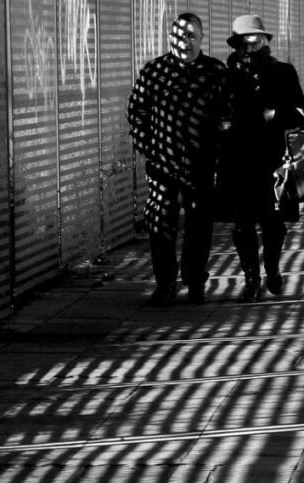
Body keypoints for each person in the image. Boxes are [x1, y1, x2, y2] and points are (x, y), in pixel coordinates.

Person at [127, 13, 229, 305]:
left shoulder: (214, 72)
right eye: (178, 36)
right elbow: (137, 112)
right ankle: (165, 284)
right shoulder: (154, 72)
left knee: (199, 224)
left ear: (200, 38)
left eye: (190, 36)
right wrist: (149, 147)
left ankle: (195, 281)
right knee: (160, 223)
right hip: (162, 165)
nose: (183, 42)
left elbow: (228, 114)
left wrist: (219, 150)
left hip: (201, 163)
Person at [221, 15, 304, 301]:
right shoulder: (227, 75)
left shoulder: (283, 72)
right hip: (236, 159)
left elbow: (301, 114)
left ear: (265, 39)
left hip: (273, 160)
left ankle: (271, 269)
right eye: (245, 38)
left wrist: (275, 115)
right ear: (236, 42)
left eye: (256, 37)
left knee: (273, 222)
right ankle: (251, 279)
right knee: (242, 222)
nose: (251, 43)